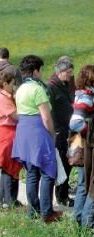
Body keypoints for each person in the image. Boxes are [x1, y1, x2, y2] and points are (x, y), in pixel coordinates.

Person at [12, 55, 63, 223]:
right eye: (40, 70)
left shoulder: (19, 89)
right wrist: (52, 133)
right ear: (35, 71)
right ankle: (47, 212)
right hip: (37, 131)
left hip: (23, 131)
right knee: (48, 171)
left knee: (32, 173)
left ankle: (33, 210)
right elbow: (46, 117)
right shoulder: (37, 89)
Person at [69, 65, 94, 229]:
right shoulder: (86, 97)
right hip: (86, 148)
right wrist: (92, 134)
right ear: (91, 80)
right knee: (92, 183)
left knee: (83, 184)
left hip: (82, 147)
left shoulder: (82, 94)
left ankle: (77, 219)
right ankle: (89, 222)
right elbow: (75, 122)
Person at [48, 56, 75, 207]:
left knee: (69, 161)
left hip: (69, 129)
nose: (71, 75)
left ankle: (64, 190)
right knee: (63, 163)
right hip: (60, 132)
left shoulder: (65, 84)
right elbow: (49, 111)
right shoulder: (51, 87)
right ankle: (61, 196)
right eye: (69, 72)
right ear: (61, 71)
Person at [0, 65, 22, 208]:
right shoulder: (3, 98)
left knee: (11, 166)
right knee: (8, 167)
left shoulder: (8, 96)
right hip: (7, 134)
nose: (15, 87)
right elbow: (16, 115)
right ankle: (9, 200)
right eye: (13, 84)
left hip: (11, 133)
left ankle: (8, 199)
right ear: (5, 83)